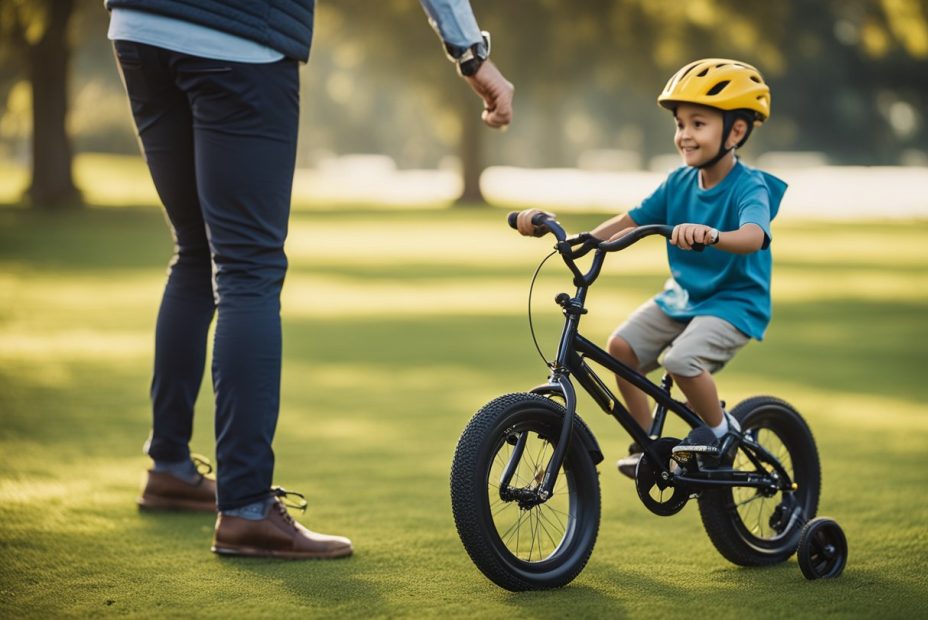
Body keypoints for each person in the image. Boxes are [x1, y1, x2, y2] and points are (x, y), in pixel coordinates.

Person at [106, 0, 514, 559]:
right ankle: (246, 508)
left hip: (140, 29)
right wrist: (471, 56)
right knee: (248, 268)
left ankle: (170, 467)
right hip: (240, 37)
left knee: (196, 251)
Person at [516, 58, 786, 477]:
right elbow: (629, 221)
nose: (684, 135)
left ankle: (719, 430)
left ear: (736, 131)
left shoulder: (749, 186)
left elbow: (754, 235)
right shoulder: (678, 183)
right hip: (684, 297)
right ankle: (647, 444)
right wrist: (579, 241)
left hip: (734, 303)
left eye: (699, 124)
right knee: (620, 348)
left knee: (681, 361)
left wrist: (712, 234)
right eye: (680, 124)